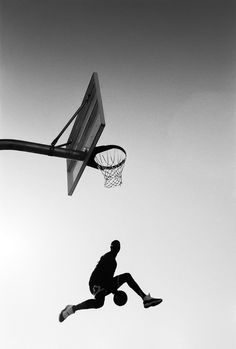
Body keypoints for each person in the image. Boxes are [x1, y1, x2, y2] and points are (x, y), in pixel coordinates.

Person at [59, 240, 162, 322]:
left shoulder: (113, 262)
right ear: (112, 247)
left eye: (117, 246)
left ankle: (145, 298)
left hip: (104, 283)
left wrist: (115, 292)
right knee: (99, 303)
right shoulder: (108, 258)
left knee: (126, 276)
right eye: (114, 246)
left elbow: (109, 281)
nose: (116, 248)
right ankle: (72, 309)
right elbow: (106, 280)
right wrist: (116, 292)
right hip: (96, 283)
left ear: (119, 249)